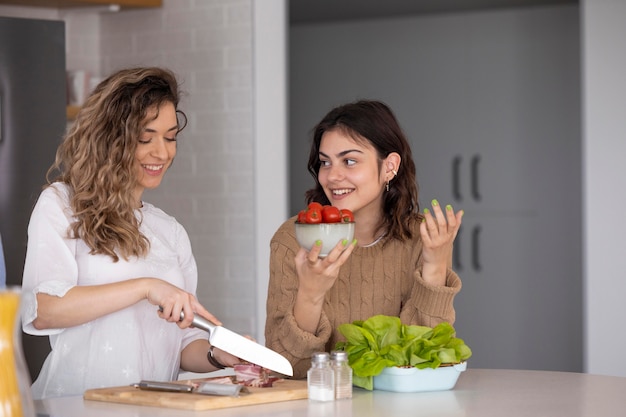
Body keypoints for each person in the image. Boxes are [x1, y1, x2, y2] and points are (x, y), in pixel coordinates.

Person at [20, 67, 239, 399]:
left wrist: (216, 354)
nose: (162, 153)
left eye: (170, 137)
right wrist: (146, 287)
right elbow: (44, 310)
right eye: (145, 137)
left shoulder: (170, 231)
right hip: (74, 405)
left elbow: (179, 343)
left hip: (151, 408)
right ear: (111, 138)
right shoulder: (62, 205)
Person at [265, 99, 463, 378]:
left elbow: (427, 359)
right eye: (325, 162)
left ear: (389, 166)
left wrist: (435, 267)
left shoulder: (423, 239)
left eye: (349, 161)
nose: (332, 176)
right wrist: (310, 295)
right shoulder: (293, 240)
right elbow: (284, 369)